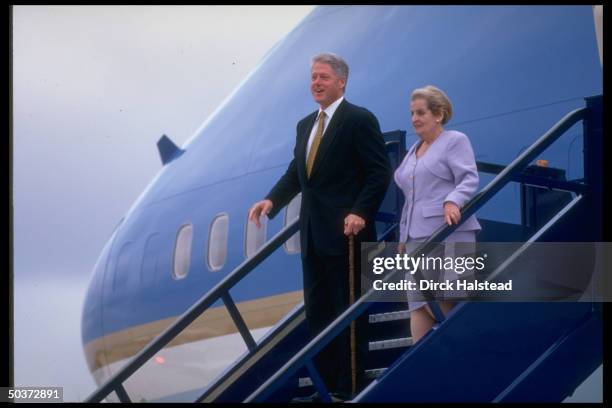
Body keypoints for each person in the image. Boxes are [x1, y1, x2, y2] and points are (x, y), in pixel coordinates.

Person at [249, 52, 391, 401]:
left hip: (348, 236)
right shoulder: (304, 125)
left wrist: (361, 211)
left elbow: (379, 171)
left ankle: (348, 388)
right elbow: (296, 174)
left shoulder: (358, 119)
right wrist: (272, 201)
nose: (316, 83)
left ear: (341, 81)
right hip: (313, 235)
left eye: (323, 77)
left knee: (348, 314)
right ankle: (325, 389)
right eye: (313, 77)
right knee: (319, 315)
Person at [394, 85, 481, 343]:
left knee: (448, 299)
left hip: (448, 232)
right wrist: (403, 235)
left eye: (420, 113)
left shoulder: (454, 140)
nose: (414, 119)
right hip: (415, 238)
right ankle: (420, 363)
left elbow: (468, 178)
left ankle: (460, 354)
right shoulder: (414, 149)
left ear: (439, 115)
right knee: (418, 303)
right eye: (412, 113)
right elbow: (411, 196)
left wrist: (452, 201)